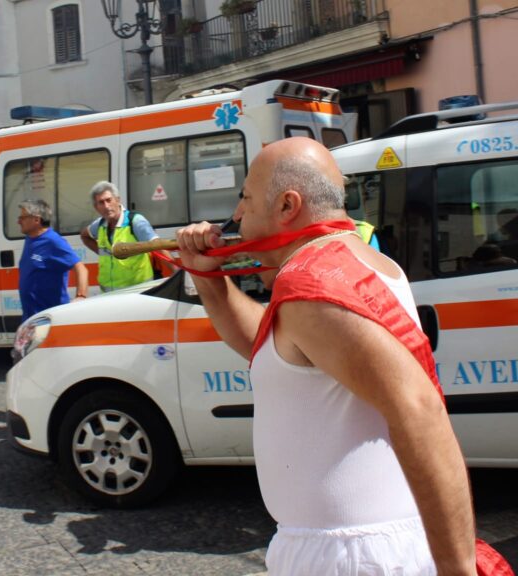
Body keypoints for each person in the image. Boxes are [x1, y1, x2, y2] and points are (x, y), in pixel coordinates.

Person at [174, 137, 475, 574]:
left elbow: (420, 411)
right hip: (356, 547)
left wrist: (458, 569)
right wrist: (209, 280)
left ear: (287, 205)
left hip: (349, 558)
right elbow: (273, 351)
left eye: (246, 198)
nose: (237, 214)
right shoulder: (367, 264)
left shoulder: (311, 287)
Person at [79, 181, 162, 292]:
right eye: (101, 202)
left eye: (109, 200)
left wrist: (176, 271)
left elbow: (158, 246)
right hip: (108, 295)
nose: (106, 206)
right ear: (96, 207)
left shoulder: (135, 221)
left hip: (138, 292)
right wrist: (104, 253)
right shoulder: (99, 225)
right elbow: (84, 236)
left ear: (117, 200)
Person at [18, 199, 89, 321]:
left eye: (23, 217)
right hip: (31, 317)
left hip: (49, 318)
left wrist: (81, 296)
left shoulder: (53, 241)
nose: (18, 221)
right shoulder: (30, 238)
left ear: (36, 219)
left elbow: (81, 268)